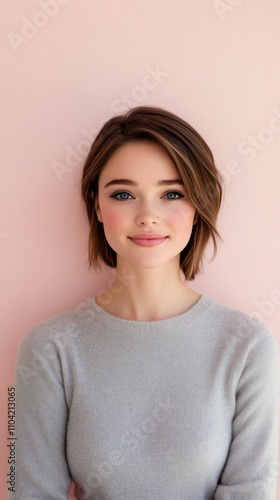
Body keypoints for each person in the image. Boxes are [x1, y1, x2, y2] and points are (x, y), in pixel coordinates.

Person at [12, 106, 279, 499]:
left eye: (172, 194)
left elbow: (251, 490)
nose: (148, 216)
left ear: (198, 206)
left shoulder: (246, 346)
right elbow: (29, 491)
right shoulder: (49, 348)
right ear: (98, 206)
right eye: (124, 194)